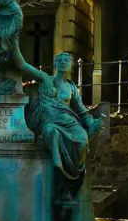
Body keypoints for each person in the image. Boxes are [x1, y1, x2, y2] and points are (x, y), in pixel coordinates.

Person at [26, 52, 106, 201]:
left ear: (71, 65)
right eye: (60, 60)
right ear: (55, 64)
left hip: (70, 122)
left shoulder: (72, 87)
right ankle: (60, 177)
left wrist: (92, 123)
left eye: (66, 60)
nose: (63, 62)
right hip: (51, 121)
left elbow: (82, 111)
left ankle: (73, 181)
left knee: (83, 139)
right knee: (51, 132)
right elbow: (24, 66)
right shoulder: (45, 80)